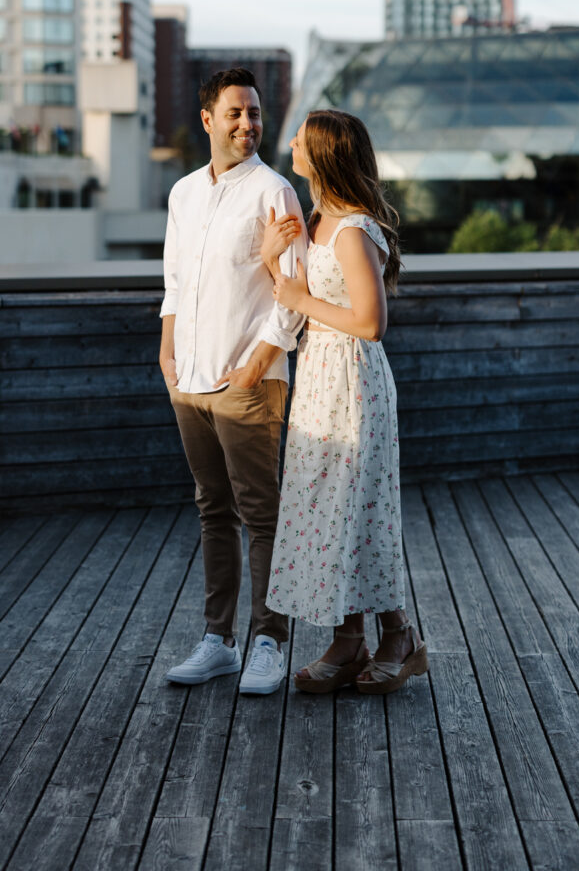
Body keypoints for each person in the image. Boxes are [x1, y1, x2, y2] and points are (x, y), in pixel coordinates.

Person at [261, 109, 428, 694]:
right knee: (327, 512)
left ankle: (398, 636)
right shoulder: (316, 219)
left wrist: (297, 298)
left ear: (324, 154)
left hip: (353, 381)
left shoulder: (354, 229)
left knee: (357, 510)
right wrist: (270, 258)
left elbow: (371, 321)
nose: (291, 146)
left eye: (301, 141)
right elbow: (292, 291)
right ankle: (350, 637)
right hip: (319, 378)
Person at [160, 67, 307, 695]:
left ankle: (269, 640)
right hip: (187, 378)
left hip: (248, 381)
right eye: (235, 113)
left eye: (254, 113)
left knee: (261, 514)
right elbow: (173, 281)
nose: (248, 124)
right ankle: (218, 641)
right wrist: (166, 355)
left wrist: (252, 367)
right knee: (211, 510)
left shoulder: (275, 191)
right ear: (207, 120)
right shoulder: (183, 193)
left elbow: (294, 296)